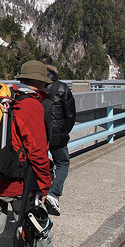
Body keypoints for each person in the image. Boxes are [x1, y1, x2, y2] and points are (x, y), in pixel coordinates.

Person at [0, 60, 53, 247]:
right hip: (18, 183)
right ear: (41, 82)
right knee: (37, 230)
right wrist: (45, 184)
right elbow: (37, 150)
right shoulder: (30, 104)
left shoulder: (0, 100)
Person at [38, 55, 76, 216]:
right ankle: (53, 194)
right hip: (58, 136)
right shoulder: (62, 87)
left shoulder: (35, 87)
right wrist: (64, 131)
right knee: (63, 163)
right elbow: (71, 114)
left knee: (39, 162)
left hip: (39, 135)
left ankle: (38, 194)